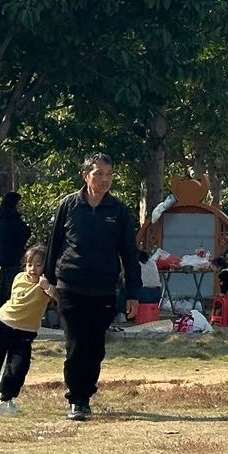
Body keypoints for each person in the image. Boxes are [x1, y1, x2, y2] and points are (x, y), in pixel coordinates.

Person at [46, 153, 141, 421]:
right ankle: (77, 399)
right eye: (98, 174)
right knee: (76, 343)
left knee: (95, 346)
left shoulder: (119, 210)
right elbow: (54, 244)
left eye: (109, 175)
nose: (104, 180)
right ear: (85, 175)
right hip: (70, 285)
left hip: (104, 288)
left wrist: (133, 293)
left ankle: (86, 392)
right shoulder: (69, 205)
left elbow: (129, 253)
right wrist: (48, 281)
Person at [0, 245, 57, 417]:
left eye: (38, 265)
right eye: (29, 264)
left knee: (18, 366)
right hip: (3, 324)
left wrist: (47, 287)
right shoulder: (19, 277)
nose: (32, 269)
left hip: (25, 332)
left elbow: (59, 297)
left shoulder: (46, 284)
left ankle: (5, 399)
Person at [0, 192, 31, 312]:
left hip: (3, 261)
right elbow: (24, 233)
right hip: (13, 260)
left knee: (3, 289)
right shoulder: (12, 220)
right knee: (10, 290)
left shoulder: (1, 220)